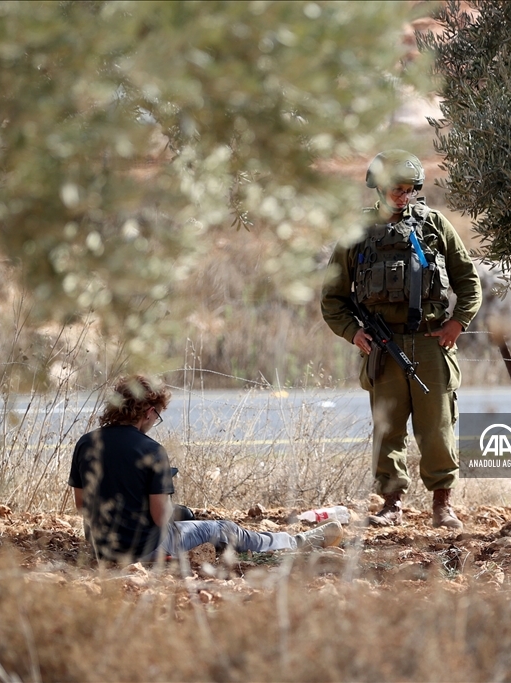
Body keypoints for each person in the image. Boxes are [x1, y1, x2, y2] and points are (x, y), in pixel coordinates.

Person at [320, 150, 482, 530]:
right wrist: (353, 332)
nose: (401, 195)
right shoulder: (356, 234)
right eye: (395, 188)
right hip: (383, 346)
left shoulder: (434, 225)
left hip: (430, 344)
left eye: (409, 189)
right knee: (388, 428)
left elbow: (468, 282)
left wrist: (457, 323)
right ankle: (392, 504)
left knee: (438, 428)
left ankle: (442, 504)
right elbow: (332, 298)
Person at [68, 375, 342, 566]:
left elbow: (83, 505)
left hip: (101, 550)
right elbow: (160, 516)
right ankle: (294, 541)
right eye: (158, 415)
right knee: (222, 528)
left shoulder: (85, 443)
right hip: (145, 548)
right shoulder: (151, 450)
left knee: (185, 515)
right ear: (149, 412)